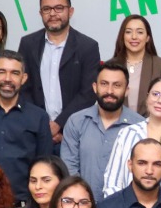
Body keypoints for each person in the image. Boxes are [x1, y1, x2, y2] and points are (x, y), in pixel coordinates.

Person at [17, 0, 100, 147]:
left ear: (70, 11)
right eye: (47, 9)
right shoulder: (27, 44)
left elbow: (88, 93)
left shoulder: (87, 47)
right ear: (40, 13)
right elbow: (23, 88)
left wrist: (58, 125)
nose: (53, 14)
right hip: (34, 133)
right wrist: (42, 124)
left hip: (75, 135)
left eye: (59, 8)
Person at [101, 75, 161, 202]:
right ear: (147, 97)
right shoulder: (127, 133)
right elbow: (112, 182)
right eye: (155, 94)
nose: (160, 100)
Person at [0, 49, 53, 200]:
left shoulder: (39, 117)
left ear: (23, 78)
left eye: (14, 73)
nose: (7, 79)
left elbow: (45, 167)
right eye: (1, 72)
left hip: (24, 204)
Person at [61, 62, 143, 200]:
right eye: (104, 84)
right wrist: (84, 201)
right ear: (95, 87)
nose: (109, 91)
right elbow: (69, 168)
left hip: (124, 206)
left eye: (117, 85)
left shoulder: (139, 126)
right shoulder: (76, 122)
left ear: (127, 90)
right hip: (82, 205)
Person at [108, 14, 161, 114]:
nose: (134, 37)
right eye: (128, 32)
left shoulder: (160, 65)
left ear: (148, 37)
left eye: (140, 32)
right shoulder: (110, 66)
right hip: (116, 121)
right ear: (122, 37)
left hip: (150, 122)